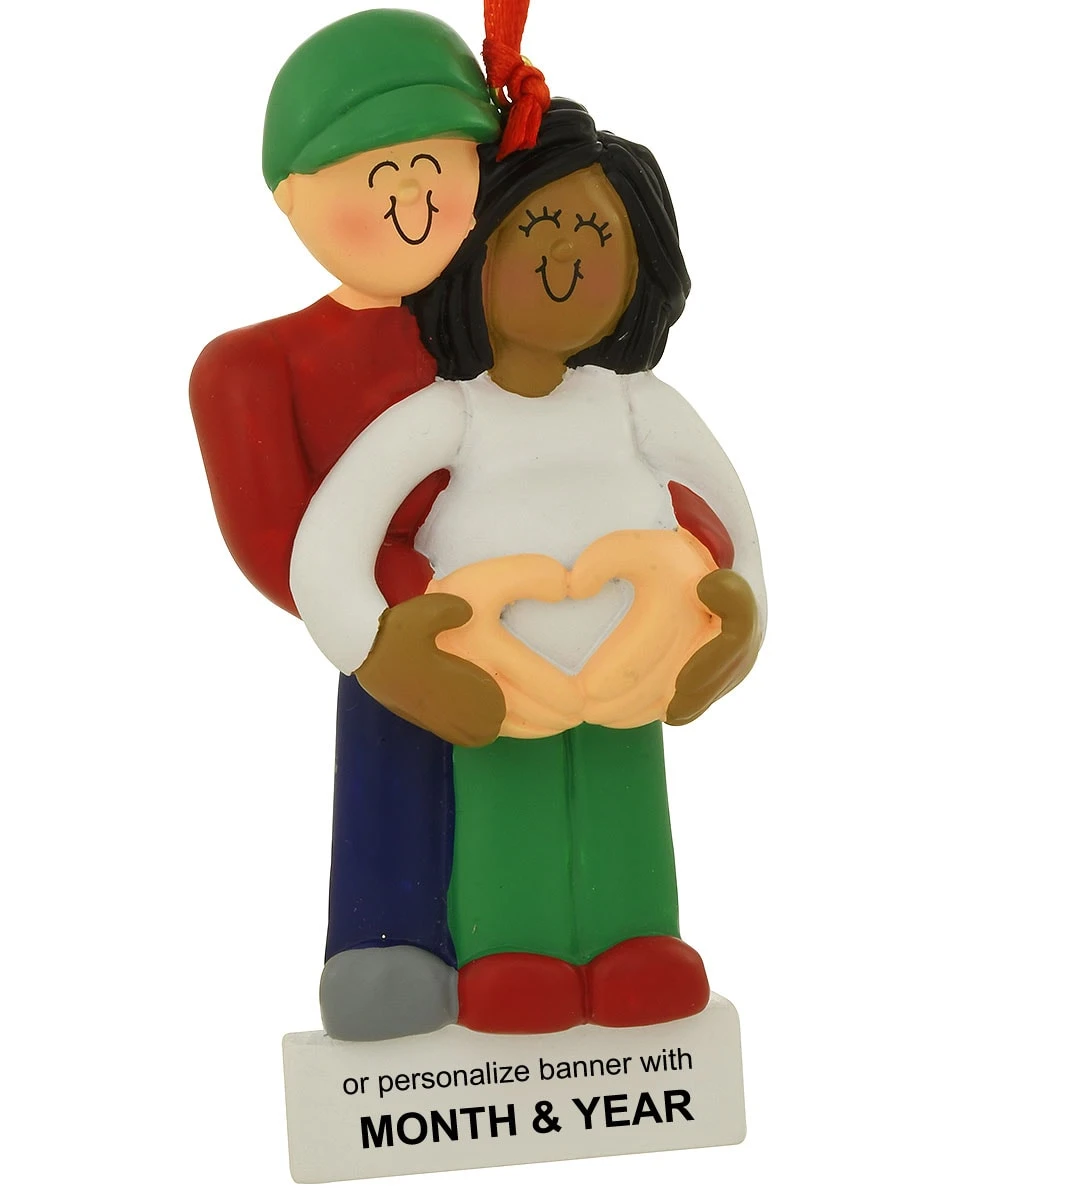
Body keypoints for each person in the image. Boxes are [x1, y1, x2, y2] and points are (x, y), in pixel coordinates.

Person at [289, 99, 766, 1034]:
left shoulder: (639, 406)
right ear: (473, 254)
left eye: (597, 233)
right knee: (507, 811)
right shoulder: (451, 415)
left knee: (627, 802)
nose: (566, 256)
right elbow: (328, 546)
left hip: (635, 665)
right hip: (499, 677)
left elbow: (738, 520)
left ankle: (637, 941)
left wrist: (742, 622)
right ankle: (514, 952)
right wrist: (381, 652)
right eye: (536, 227)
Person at [188, 10, 501, 1041]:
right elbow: (277, 544)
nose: (413, 196)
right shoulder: (253, 366)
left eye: (434, 165)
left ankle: (537, 942)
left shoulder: (512, 332)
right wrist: (417, 601)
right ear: (291, 197)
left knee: (542, 770)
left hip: (553, 613)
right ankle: (388, 943)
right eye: (379, 173)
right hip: (392, 627)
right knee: (392, 751)